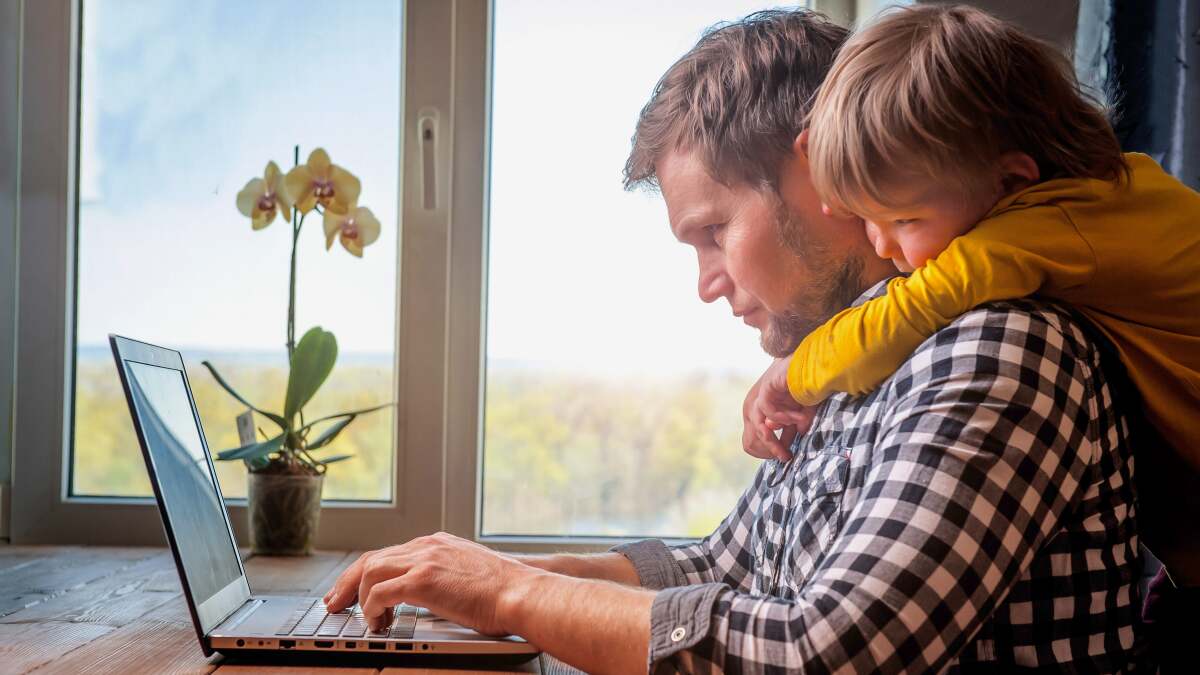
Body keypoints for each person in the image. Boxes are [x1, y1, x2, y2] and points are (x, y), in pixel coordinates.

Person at [323, 9, 1146, 672]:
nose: (707, 282)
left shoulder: (998, 348)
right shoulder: (856, 357)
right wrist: (468, 578)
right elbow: (715, 566)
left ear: (819, 171)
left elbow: (826, 654)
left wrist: (512, 596)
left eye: (713, 232)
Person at [743, 9, 1200, 589]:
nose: (884, 247)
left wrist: (790, 374)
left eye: (903, 219)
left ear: (1010, 181)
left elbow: (903, 315)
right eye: (866, 219)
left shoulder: (1037, 233)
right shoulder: (1109, 198)